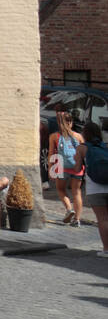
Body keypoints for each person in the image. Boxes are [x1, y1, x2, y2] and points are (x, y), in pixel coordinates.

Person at [71, 121, 108, 257]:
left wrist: (76, 159)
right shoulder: (105, 147)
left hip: (95, 188)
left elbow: (77, 169)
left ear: (85, 133)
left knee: (103, 219)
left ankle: (106, 249)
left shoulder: (82, 148)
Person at [49, 107, 84, 226]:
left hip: (61, 166)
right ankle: (77, 220)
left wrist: (50, 168)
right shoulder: (78, 136)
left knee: (60, 189)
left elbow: (51, 153)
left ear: (59, 123)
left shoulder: (54, 136)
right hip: (77, 167)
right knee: (77, 192)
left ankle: (69, 209)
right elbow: (84, 153)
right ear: (71, 122)